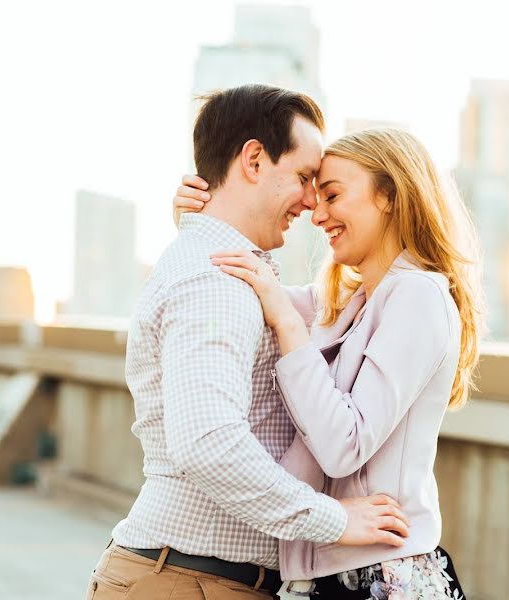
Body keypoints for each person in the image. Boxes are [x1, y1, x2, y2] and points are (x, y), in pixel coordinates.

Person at [85, 84, 409, 600]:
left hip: (194, 578)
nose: (310, 201)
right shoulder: (215, 281)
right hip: (189, 582)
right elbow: (209, 442)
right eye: (304, 178)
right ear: (254, 159)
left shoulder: (226, 268)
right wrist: (332, 520)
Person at [174, 126, 482, 599]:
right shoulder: (352, 304)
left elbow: (344, 444)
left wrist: (288, 325)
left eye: (332, 195)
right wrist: (201, 218)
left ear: (389, 196)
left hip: (381, 575)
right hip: (327, 578)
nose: (317, 215)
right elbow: (243, 282)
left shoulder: (417, 296)